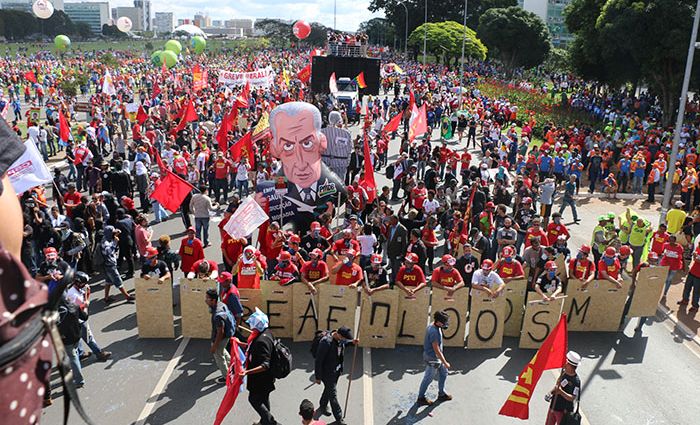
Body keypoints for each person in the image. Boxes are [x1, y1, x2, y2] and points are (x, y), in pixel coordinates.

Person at [313, 326, 358, 425]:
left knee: (328, 390)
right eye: (344, 338)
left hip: (336, 371)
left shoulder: (339, 339)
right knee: (333, 395)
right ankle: (339, 418)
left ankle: (323, 405)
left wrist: (352, 342)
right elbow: (318, 361)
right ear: (339, 335)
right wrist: (318, 377)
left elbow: (345, 343)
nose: (345, 340)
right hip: (327, 373)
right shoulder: (326, 343)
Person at [240, 308, 278, 425]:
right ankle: (264, 421)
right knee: (264, 399)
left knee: (254, 399)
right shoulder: (267, 333)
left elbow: (265, 365)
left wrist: (247, 372)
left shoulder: (261, 341)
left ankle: (271, 422)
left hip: (260, 379)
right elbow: (253, 349)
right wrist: (240, 343)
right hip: (266, 378)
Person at [65, 271, 112, 362]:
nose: (85, 285)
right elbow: (82, 310)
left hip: (72, 319)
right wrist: (87, 302)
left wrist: (86, 294)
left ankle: (81, 353)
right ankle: (99, 354)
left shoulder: (72, 288)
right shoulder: (74, 295)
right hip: (77, 319)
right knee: (88, 337)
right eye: (83, 283)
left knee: (78, 338)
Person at [417, 310, 452, 406]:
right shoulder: (434, 332)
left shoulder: (434, 324)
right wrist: (445, 362)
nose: (445, 324)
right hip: (432, 358)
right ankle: (420, 398)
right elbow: (436, 349)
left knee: (444, 373)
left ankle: (441, 393)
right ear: (439, 322)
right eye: (444, 322)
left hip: (436, 358)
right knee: (428, 378)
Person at [58, 292, 88, 388]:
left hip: (67, 339)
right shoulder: (74, 305)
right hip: (76, 335)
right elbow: (84, 316)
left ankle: (79, 380)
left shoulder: (61, 311)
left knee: (73, 358)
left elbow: (60, 327)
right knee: (73, 355)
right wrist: (86, 306)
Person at [205, 288, 235, 384]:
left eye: (207, 298)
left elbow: (220, 332)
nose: (205, 300)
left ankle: (227, 377)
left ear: (213, 300)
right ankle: (233, 367)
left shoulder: (218, 315)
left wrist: (214, 346)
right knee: (223, 351)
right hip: (228, 334)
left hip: (221, 337)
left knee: (219, 356)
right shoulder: (221, 304)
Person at [545, 351, 581, 425]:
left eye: (566, 362)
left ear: (570, 365)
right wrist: (550, 393)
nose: (564, 363)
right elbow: (557, 386)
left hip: (563, 411)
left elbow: (572, 398)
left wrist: (561, 392)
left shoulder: (576, 381)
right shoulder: (564, 373)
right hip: (554, 406)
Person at [101, 225, 134, 303]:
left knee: (108, 281)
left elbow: (118, 231)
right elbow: (108, 252)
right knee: (118, 281)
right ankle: (127, 296)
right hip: (110, 264)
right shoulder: (105, 242)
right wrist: (115, 242)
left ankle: (106, 298)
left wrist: (115, 234)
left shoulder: (107, 238)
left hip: (109, 264)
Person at [678, 243, 700, 312]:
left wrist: (696, 256)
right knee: (687, 287)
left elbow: (697, 259)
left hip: (699, 276)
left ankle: (695, 306)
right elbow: (694, 258)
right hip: (692, 271)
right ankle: (685, 300)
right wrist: (695, 255)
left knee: (696, 292)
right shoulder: (698, 247)